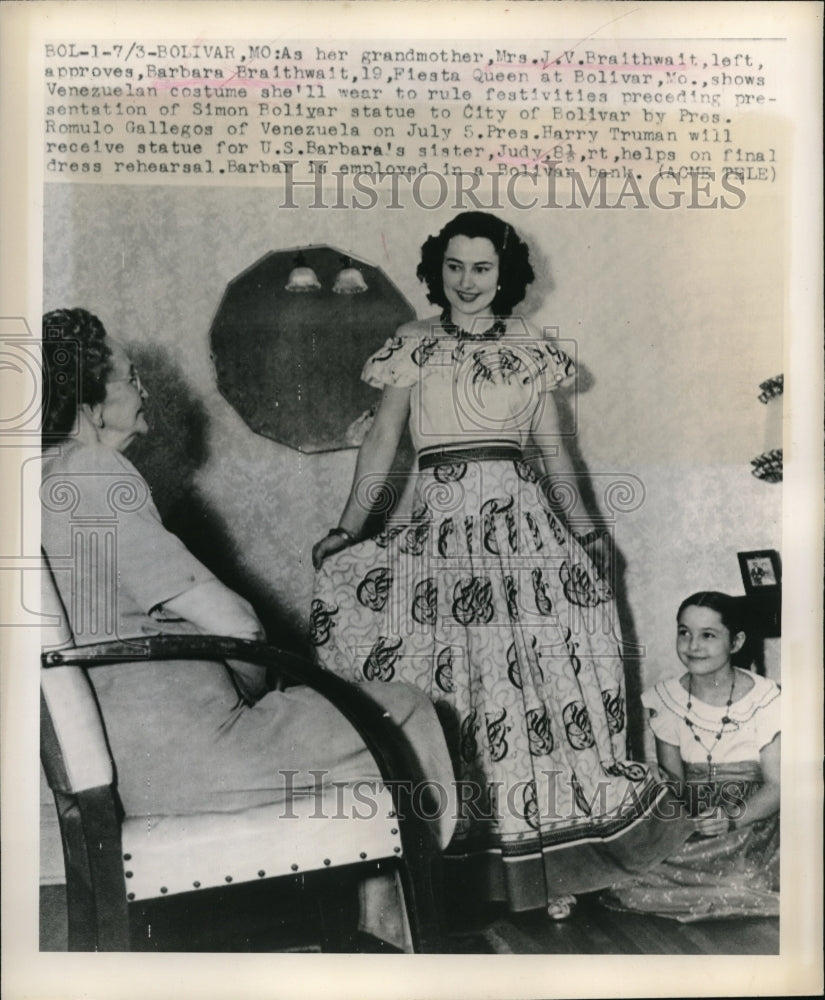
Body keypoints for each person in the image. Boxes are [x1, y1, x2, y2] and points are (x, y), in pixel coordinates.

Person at [311, 212, 691, 918]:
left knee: (541, 693)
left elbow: (554, 453)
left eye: (481, 268)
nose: (466, 281)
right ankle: (459, 874)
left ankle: (552, 871)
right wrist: (346, 530)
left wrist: (587, 535)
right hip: (441, 538)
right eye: (454, 266)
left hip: (525, 535)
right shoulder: (412, 345)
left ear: (503, 273)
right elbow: (381, 447)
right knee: (458, 689)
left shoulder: (530, 347)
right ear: (438, 269)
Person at [40, 307, 455, 950]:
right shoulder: (95, 475)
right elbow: (231, 621)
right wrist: (258, 689)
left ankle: (378, 911)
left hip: (124, 766)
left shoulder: (33, 485)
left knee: (346, 729)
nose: (143, 387)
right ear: (90, 400)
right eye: (130, 376)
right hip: (196, 756)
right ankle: (413, 915)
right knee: (401, 708)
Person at [599, 591, 780, 921]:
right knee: (628, 869)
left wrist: (731, 818)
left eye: (708, 635)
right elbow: (678, 787)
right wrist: (658, 779)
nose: (693, 645)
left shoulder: (766, 698)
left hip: (752, 816)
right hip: (697, 817)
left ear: (736, 641)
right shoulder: (665, 699)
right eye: (684, 632)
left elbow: (778, 787)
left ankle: (738, 884)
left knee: (751, 876)